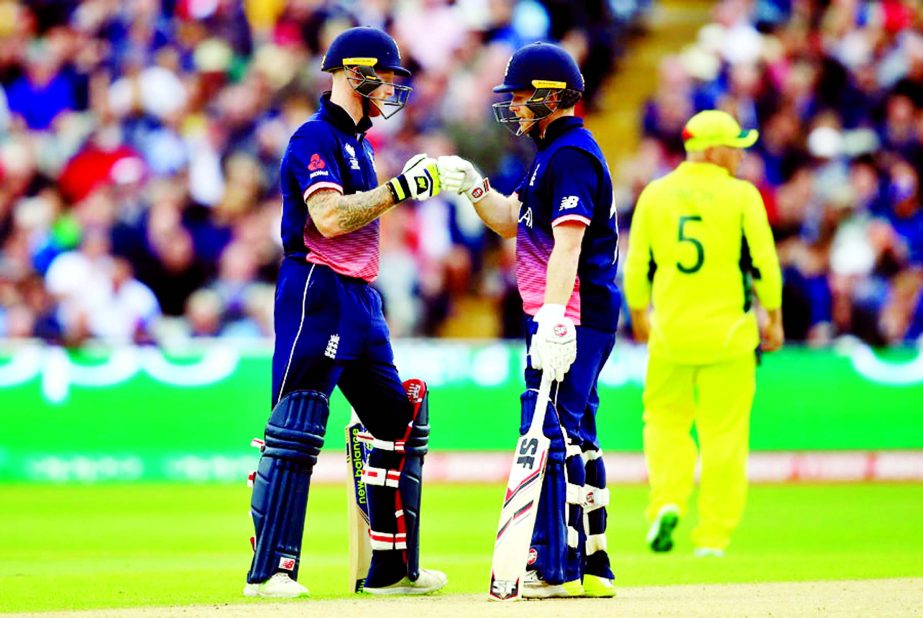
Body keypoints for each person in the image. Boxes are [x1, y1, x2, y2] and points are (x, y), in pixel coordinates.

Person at [244, 26, 447, 598]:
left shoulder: (361, 144)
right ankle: (271, 573)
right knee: (300, 424)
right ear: (354, 73)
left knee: (398, 422)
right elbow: (329, 219)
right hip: (316, 287)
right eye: (382, 75)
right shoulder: (313, 137)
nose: (390, 87)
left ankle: (391, 570)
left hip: (360, 296)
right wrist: (400, 190)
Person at [439, 42, 620, 598]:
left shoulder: (570, 155)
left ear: (549, 97)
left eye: (520, 97)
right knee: (576, 427)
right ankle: (592, 564)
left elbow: (567, 244)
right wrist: (472, 185)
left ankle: (551, 564)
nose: (513, 106)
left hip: (573, 309)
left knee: (544, 428)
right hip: (570, 309)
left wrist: (554, 321)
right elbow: (513, 221)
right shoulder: (552, 153)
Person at [623, 110, 784, 557]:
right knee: (724, 436)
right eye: (735, 146)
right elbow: (764, 263)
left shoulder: (656, 194)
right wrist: (774, 315)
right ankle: (712, 536)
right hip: (730, 336)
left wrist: (639, 314)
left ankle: (666, 503)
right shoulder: (741, 195)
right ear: (713, 150)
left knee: (664, 424)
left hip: (670, 334)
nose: (740, 155)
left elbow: (636, 264)